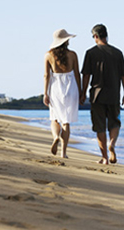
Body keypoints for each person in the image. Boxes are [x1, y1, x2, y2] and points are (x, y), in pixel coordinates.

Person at [80, 24, 124, 165]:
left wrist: (83, 93)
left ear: (96, 36)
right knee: (115, 123)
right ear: (106, 35)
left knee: (99, 127)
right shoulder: (117, 53)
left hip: (97, 95)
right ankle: (112, 144)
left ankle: (104, 158)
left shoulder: (91, 53)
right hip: (114, 95)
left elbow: (86, 76)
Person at [43, 29, 81, 159]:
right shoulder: (73, 55)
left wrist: (45, 93)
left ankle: (55, 137)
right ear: (66, 41)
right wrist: (81, 91)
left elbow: (46, 76)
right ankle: (63, 153)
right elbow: (77, 74)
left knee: (54, 118)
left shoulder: (48, 55)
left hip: (55, 88)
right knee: (66, 121)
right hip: (71, 87)